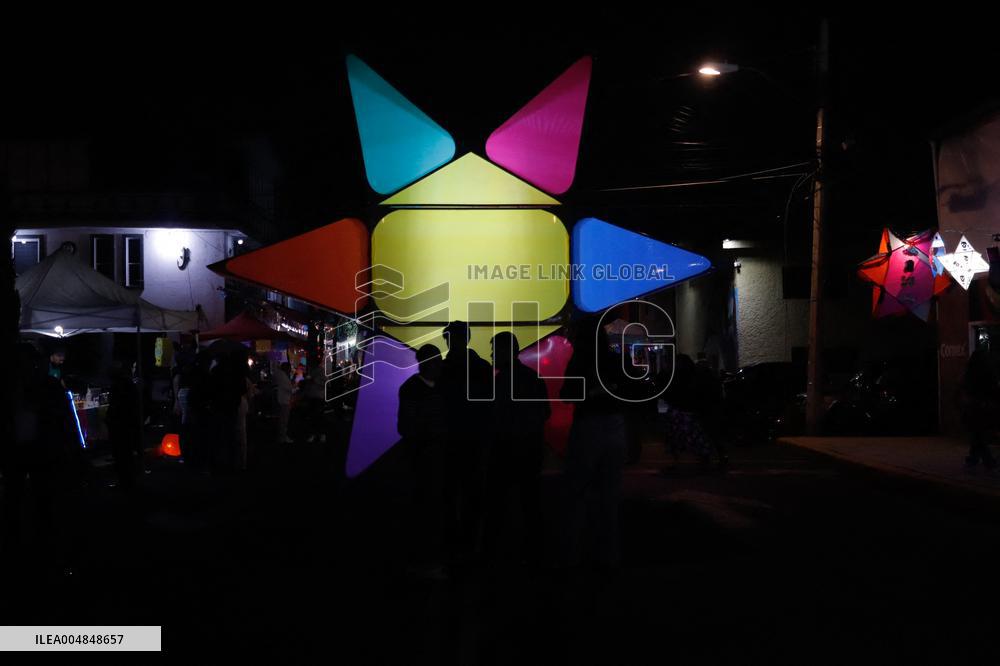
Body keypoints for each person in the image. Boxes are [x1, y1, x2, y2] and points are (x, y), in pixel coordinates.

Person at [561, 318, 627, 570]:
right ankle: (609, 555)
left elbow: (567, 394)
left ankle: (573, 555)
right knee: (609, 496)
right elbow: (630, 389)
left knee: (576, 492)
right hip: (614, 424)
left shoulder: (579, 360)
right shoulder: (613, 360)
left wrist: (587, 393)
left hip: (588, 425)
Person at [483, 332, 550, 566]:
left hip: (505, 450)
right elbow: (545, 413)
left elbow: (493, 417)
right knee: (530, 502)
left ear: (505, 351)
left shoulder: (500, 382)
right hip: (529, 449)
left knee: (498, 503)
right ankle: (534, 552)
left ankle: (496, 553)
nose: (492, 355)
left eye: (495, 351)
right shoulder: (533, 378)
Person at [439, 320, 494, 562]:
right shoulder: (480, 367)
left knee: (451, 491)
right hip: (474, 437)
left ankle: (453, 542)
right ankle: (472, 544)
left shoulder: (443, 368)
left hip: (451, 437)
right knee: (472, 491)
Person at [398, 344, 448, 576]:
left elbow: (405, 426)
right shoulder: (417, 389)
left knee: (428, 509)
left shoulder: (413, 388)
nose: (440, 366)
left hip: (429, 457)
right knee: (425, 509)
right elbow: (407, 427)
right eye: (437, 361)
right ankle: (423, 560)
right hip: (424, 458)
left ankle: (422, 559)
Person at [958, 350, 999, 469]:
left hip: (973, 408)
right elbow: (994, 390)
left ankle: (978, 460)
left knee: (977, 434)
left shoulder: (969, 373)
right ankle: (981, 460)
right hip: (984, 408)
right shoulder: (989, 373)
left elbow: (963, 387)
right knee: (978, 435)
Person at [274, 362, 295, 444]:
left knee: (282, 420)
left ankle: (281, 437)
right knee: (284, 420)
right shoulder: (283, 377)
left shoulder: (281, 375)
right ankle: (282, 437)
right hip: (284, 401)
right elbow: (289, 389)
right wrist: (296, 387)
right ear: (286, 368)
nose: (290, 370)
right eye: (289, 368)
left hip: (282, 400)